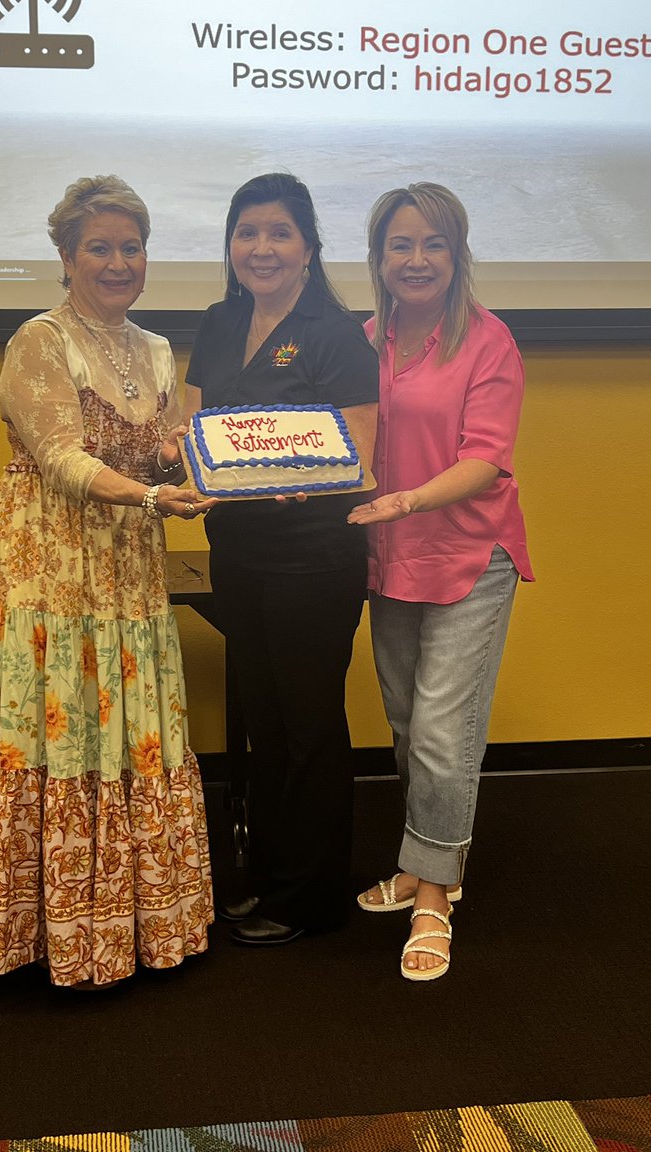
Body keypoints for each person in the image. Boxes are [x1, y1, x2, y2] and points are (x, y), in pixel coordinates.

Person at [0, 175, 216, 988]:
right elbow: (61, 458)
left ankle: (128, 920)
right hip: (45, 565)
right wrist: (156, 494)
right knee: (52, 728)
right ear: (66, 256)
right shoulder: (41, 340)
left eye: (133, 247)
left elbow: (158, 446)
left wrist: (197, 463)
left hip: (125, 564)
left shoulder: (159, 348)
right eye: (101, 247)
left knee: (127, 732)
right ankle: (38, 925)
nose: (119, 262)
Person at [184, 172, 379, 946]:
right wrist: (180, 462)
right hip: (236, 551)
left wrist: (307, 477)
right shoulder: (217, 321)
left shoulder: (336, 333)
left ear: (309, 248)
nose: (260, 248)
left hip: (313, 555)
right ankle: (265, 875)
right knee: (262, 720)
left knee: (308, 725)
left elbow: (358, 455)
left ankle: (310, 896)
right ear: (230, 244)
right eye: (246, 232)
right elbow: (193, 427)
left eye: (278, 233)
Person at [348, 182, 534, 982]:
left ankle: (434, 894)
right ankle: (426, 861)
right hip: (389, 558)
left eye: (433, 245)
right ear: (380, 258)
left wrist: (410, 499)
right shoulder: (362, 342)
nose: (416, 259)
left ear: (457, 255)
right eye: (401, 245)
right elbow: (337, 443)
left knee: (441, 735)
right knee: (404, 722)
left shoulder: (488, 342)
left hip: (470, 555)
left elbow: (486, 457)